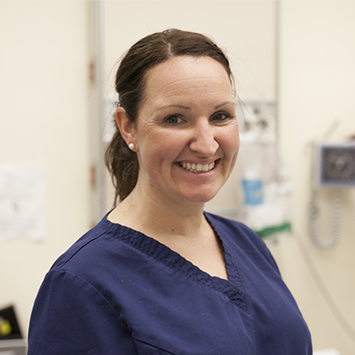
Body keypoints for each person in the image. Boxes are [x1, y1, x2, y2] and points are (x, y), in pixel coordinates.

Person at [27, 29, 312, 354]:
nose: (206, 145)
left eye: (220, 116)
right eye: (175, 119)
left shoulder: (246, 243)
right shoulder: (82, 283)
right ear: (127, 127)